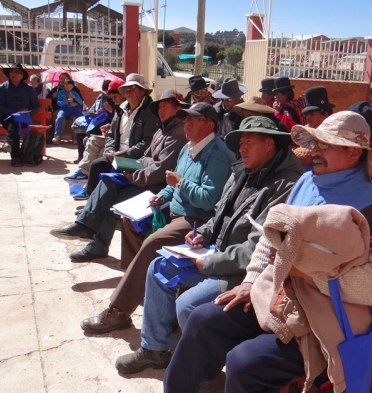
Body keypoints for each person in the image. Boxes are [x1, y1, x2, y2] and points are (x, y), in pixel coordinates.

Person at [164, 111, 372, 392]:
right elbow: (270, 235)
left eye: (326, 144)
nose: (315, 151)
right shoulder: (306, 182)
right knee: (203, 320)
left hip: (325, 317)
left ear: (353, 154)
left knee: (244, 362)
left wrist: (314, 277)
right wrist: (250, 282)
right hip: (280, 297)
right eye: (315, 143)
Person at [107, 117, 304, 375]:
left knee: (188, 305)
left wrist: (210, 262)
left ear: (269, 144)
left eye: (249, 142)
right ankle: (154, 349)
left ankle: (202, 368)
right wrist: (202, 234)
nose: (242, 148)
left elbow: (259, 248)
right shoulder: (245, 170)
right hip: (216, 253)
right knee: (158, 268)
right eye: (240, 142)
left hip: (243, 272)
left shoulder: (286, 186)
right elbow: (220, 213)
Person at [78, 102, 235, 333]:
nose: (187, 123)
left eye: (193, 119)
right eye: (186, 119)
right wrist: (161, 196)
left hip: (197, 220)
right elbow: (173, 184)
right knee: (129, 222)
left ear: (210, 125)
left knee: (153, 242)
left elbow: (209, 200)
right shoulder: (189, 147)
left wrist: (179, 183)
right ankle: (140, 291)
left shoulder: (217, 156)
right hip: (175, 209)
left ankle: (119, 309)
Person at [50, 90, 191, 262]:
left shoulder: (177, 134)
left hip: (158, 188)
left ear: (178, 109)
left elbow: (160, 170)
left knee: (112, 195)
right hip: (145, 180)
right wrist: (130, 166)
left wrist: (134, 176)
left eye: (166, 106)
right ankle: (91, 235)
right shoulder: (161, 130)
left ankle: (88, 230)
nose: (161, 110)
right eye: (159, 106)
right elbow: (146, 157)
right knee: (108, 181)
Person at [72, 73, 159, 200]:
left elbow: (148, 142)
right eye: (126, 88)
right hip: (117, 155)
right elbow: (112, 135)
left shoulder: (150, 112)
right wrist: (110, 151)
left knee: (114, 174)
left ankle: (102, 206)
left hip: (138, 159)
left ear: (143, 91)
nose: (128, 91)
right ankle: (91, 201)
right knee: (96, 165)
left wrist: (125, 154)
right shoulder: (120, 109)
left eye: (133, 87)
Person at [63, 78, 125, 183]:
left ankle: (89, 183)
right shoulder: (115, 103)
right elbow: (118, 124)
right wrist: (109, 126)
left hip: (121, 141)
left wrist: (110, 111)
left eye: (115, 96)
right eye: (111, 96)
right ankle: (83, 172)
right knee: (91, 139)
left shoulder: (127, 107)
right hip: (108, 133)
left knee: (100, 153)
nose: (114, 99)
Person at [0, 63, 39, 167]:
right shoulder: (2, 87)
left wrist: (28, 112)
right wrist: (13, 113)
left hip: (24, 119)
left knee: (15, 123)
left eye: (17, 72)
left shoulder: (28, 89)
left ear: (22, 75)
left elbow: (36, 106)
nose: (14, 74)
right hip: (7, 118)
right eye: (12, 72)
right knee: (14, 122)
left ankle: (12, 150)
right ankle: (15, 156)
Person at [72, 79, 116, 164]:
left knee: (87, 138)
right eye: (103, 91)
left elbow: (117, 118)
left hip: (106, 124)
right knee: (79, 129)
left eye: (107, 92)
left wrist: (110, 111)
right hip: (96, 120)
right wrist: (92, 112)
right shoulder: (100, 97)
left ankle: (86, 165)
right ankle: (81, 156)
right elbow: (93, 108)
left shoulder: (114, 100)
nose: (105, 93)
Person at [292, 86, 335, 166]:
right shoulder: (306, 131)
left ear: (325, 114)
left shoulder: (334, 134)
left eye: (312, 114)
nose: (307, 117)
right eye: (306, 114)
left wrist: (293, 151)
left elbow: (308, 157)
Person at [52, 79, 84, 144]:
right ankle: (57, 136)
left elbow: (81, 102)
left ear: (72, 86)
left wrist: (75, 98)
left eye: (70, 86)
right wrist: (66, 102)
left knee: (80, 118)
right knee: (60, 117)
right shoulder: (61, 92)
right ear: (64, 85)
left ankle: (78, 137)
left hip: (74, 108)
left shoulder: (75, 93)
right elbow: (58, 102)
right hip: (64, 108)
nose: (68, 88)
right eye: (67, 86)